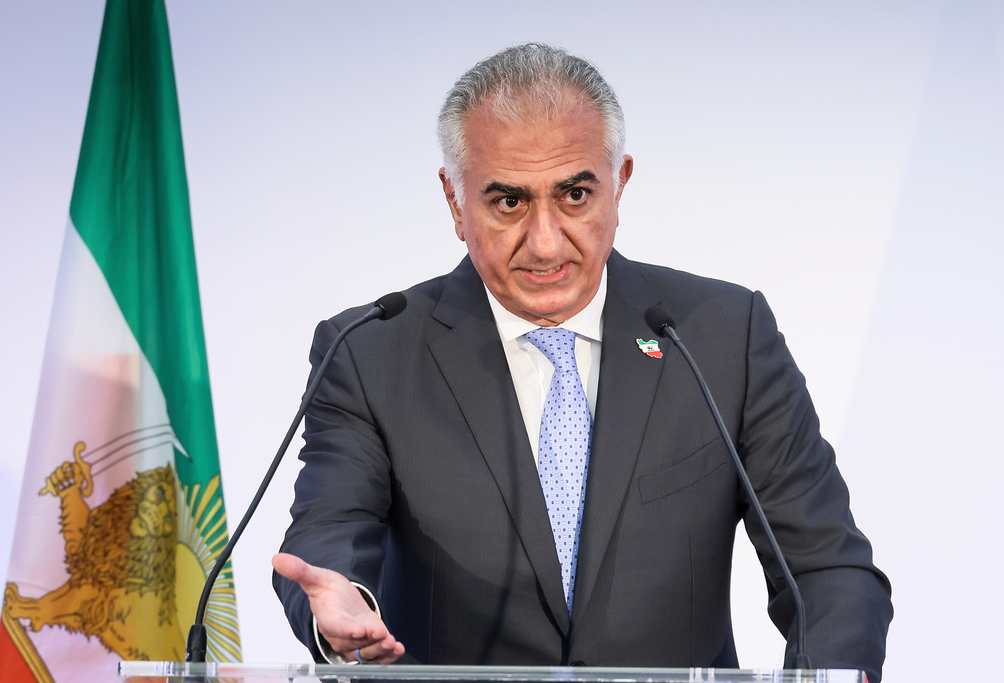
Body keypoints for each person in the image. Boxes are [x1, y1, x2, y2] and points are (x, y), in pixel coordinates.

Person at [272, 43, 892, 680]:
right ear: (456, 202)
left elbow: (824, 569)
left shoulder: (721, 336)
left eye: (575, 195)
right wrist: (336, 610)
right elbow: (330, 532)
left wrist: (828, 672)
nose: (545, 242)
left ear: (619, 185)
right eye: (508, 202)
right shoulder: (370, 352)